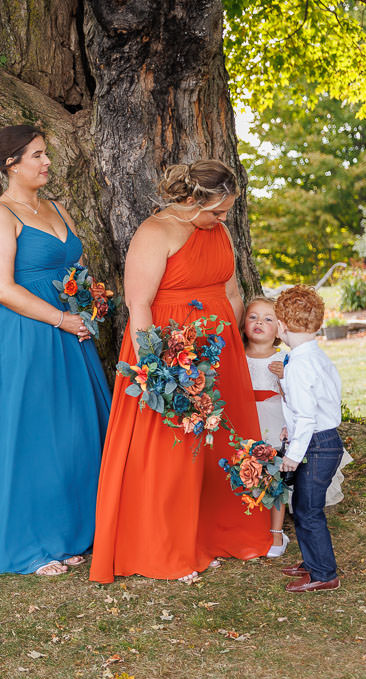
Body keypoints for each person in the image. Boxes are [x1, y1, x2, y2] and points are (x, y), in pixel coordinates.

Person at [91, 160, 272, 584]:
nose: (223, 218)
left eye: (227, 211)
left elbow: (231, 289)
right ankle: (166, 544)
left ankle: (220, 532)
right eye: (217, 210)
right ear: (192, 200)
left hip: (219, 348)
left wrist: (239, 345)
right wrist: (156, 368)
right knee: (172, 452)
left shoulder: (219, 231)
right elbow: (138, 305)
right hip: (171, 351)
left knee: (221, 443)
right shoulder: (154, 233)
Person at [0, 125, 112, 579]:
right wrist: (62, 317)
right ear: (11, 165)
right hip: (28, 333)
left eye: (47, 155)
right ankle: (32, 542)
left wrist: (86, 305)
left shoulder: (56, 207)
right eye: (38, 156)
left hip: (71, 331)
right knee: (32, 435)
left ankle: (72, 532)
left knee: (72, 432)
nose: (47, 163)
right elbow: (2, 287)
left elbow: (78, 267)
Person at [274, 286, 345, 592]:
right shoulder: (315, 356)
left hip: (316, 445)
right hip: (324, 439)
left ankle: (324, 573)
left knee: (307, 508)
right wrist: (291, 428)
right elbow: (322, 401)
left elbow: (307, 417)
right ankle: (314, 559)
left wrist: (292, 454)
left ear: (282, 326)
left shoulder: (300, 364)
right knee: (303, 503)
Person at [244, 296, 290, 557]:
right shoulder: (236, 356)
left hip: (273, 423)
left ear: (279, 330)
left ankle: (276, 533)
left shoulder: (283, 358)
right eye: (253, 317)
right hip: (246, 422)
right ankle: (250, 526)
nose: (259, 322)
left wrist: (285, 376)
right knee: (249, 475)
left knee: (274, 478)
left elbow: (296, 395)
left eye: (268, 319)